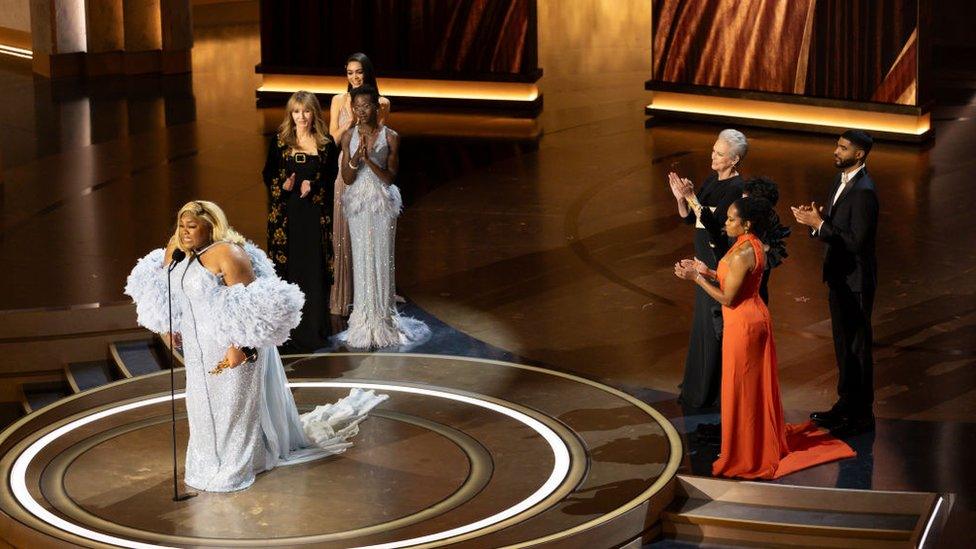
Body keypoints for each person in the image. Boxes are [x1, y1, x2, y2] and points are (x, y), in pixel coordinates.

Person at [124, 200, 386, 492]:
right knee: (201, 408)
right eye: (181, 226)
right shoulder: (181, 253)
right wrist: (170, 324)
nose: (184, 232)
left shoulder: (228, 253)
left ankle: (235, 469)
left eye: (192, 226)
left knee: (233, 411)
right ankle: (207, 465)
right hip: (199, 351)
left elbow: (250, 306)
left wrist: (239, 346)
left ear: (211, 226)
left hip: (232, 346)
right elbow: (170, 288)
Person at [674, 197, 855, 479]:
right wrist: (705, 270)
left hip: (743, 326)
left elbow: (728, 298)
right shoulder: (751, 243)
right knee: (750, 387)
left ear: (746, 223)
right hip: (753, 319)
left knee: (743, 388)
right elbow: (733, 278)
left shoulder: (741, 253)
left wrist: (695, 280)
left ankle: (748, 451)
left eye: (731, 219)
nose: (726, 223)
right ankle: (752, 442)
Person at [791, 130, 879, 436]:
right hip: (839, 278)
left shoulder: (865, 191)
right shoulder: (841, 182)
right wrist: (815, 223)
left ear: (859, 155)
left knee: (857, 349)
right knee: (843, 346)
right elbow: (834, 227)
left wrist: (821, 225)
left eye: (842, 148)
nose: (835, 151)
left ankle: (862, 417)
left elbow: (857, 242)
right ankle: (845, 405)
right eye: (837, 145)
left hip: (855, 282)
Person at [336, 86, 430, 349]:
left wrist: (370, 159)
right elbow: (347, 178)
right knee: (362, 256)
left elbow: (389, 178)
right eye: (357, 107)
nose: (361, 111)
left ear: (376, 107)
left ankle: (383, 315)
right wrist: (356, 157)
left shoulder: (391, 137)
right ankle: (364, 317)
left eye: (366, 106)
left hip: (381, 202)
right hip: (358, 203)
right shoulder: (347, 136)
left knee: (381, 255)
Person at [667, 129, 747, 409]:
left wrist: (692, 198)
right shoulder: (712, 179)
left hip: (717, 260)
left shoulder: (737, 189)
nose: (713, 157)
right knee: (702, 324)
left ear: (734, 160)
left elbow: (716, 226)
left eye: (720, 154)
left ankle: (712, 391)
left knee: (715, 326)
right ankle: (698, 382)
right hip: (702, 257)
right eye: (713, 150)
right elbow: (690, 218)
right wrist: (681, 198)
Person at [262, 90, 339, 352]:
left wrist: (312, 185)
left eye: (306, 111)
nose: (301, 116)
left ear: (314, 113)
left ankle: (314, 331)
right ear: (290, 114)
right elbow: (268, 175)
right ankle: (287, 333)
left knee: (313, 271)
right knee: (289, 272)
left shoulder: (327, 144)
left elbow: (330, 180)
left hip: (315, 219)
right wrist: (284, 185)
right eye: (296, 111)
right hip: (286, 220)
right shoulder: (280, 141)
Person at [328, 53, 392, 316]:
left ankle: (372, 294)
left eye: (359, 72)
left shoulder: (382, 103)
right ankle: (345, 296)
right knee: (343, 233)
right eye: (350, 73)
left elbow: (380, 137)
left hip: (371, 167)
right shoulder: (338, 101)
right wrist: (351, 122)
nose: (354, 77)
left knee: (370, 233)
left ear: (367, 73)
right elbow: (333, 137)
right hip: (346, 167)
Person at [742, 176, 790, 304]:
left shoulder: (766, 220)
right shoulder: (754, 215)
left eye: (745, 198)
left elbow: (768, 247)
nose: (741, 201)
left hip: (754, 275)